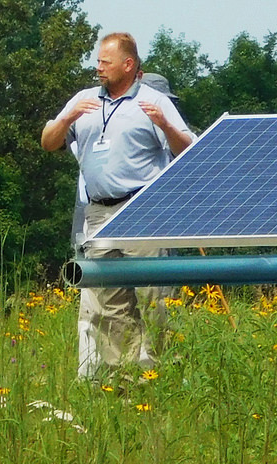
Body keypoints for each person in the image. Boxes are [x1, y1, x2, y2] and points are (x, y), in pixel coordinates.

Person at [41, 32, 192, 373]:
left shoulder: (153, 101)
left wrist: (165, 124)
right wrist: (66, 118)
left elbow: (186, 150)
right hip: (98, 213)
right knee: (109, 302)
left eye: (105, 62)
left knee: (152, 298)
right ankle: (122, 378)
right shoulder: (83, 100)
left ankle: (156, 373)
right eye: (97, 61)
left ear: (128, 64)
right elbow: (48, 142)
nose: (99, 68)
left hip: (142, 210)